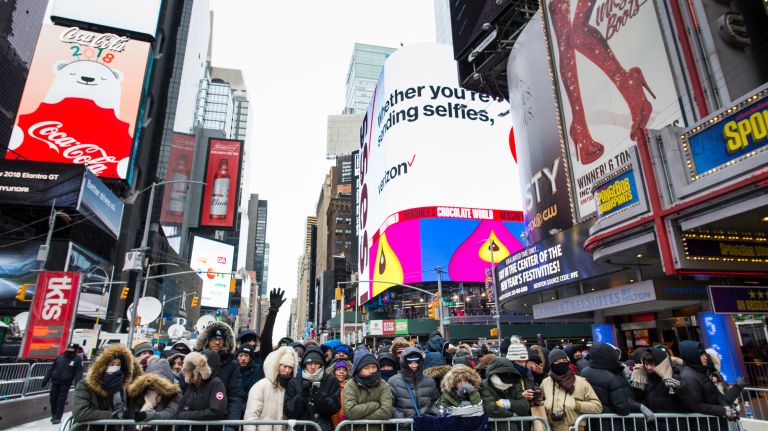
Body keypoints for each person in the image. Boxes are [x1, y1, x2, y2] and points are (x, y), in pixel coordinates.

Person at [581, 343, 653, 429]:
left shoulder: (584, 371)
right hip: (615, 423)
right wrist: (639, 406)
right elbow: (622, 407)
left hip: (594, 422)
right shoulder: (611, 377)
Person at [72, 343, 142, 423]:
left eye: (118, 364)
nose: (115, 367)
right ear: (102, 365)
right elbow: (81, 413)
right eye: (111, 364)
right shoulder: (85, 385)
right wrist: (113, 416)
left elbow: (128, 410)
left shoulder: (123, 386)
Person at [678, 340, 744, 419]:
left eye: (704, 354)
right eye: (700, 355)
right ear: (692, 356)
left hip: (714, 422)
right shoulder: (688, 376)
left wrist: (737, 388)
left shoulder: (700, 373)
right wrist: (724, 411)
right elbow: (696, 405)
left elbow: (719, 399)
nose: (705, 357)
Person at [194, 321, 245, 421]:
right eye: (213, 339)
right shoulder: (195, 361)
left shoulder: (232, 364)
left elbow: (234, 396)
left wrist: (231, 425)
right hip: (195, 418)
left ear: (225, 342)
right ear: (207, 341)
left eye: (220, 339)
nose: (217, 343)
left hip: (221, 420)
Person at [540, 349, 602, 431]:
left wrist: (577, 405)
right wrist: (545, 404)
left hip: (575, 428)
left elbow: (597, 407)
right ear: (551, 364)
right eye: (557, 361)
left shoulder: (581, 382)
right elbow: (540, 402)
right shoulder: (545, 383)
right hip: (552, 428)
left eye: (564, 360)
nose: (561, 363)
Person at [284, 346, 341, 431]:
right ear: (304, 364)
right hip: (301, 428)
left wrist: (320, 396)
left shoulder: (331, 380)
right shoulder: (294, 382)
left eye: (316, 363)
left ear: (321, 364)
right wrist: (302, 396)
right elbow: (289, 411)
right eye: (309, 363)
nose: (313, 367)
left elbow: (335, 407)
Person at [243, 346, 297, 431]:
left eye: (290, 367)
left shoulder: (291, 388)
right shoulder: (261, 386)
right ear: (277, 365)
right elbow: (251, 417)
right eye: (284, 366)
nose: (287, 370)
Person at [176, 350, 228, 421]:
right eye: (192, 367)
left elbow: (216, 411)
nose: (193, 371)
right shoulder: (193, 385)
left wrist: (186, 415)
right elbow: (181, 408)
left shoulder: (216, 383)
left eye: (195, 368)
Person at [388, 347, 439, 418]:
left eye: (416, 362)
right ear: (404, 363)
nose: (414, 365)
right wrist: (402, 419)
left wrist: (433, 414)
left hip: (426, 424)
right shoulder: (394, 381)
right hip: (404, 426)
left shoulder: (430, 381)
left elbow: (435, 402)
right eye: (410, 363)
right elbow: (390, 405)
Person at [343, 350, 393, 420]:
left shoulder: (384, 385)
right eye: (366, 368)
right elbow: (350, 412)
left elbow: (386, 412)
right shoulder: (350, 385)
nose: (371, 371)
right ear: (358, 370)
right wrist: (375, 405)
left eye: (374, 367)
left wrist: (359, 418)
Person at [630, 347, 683, 413]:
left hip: (673, 421)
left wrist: (667, 378)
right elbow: (639, 399)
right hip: (655, 420)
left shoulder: (675, 375)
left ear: (661, 363)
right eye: (646, 364)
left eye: (652, 364)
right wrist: (637, 377)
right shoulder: (647, 376)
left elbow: (685, 395)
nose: (649, 367)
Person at [129, 357, 181, 422]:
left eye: (157, 383)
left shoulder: (174, 394)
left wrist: (148, 415)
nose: (153, 386)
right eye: (151, 383)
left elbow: (171, 413)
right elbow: (132, 412)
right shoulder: (141, 392)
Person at [43, 343, 84, 424]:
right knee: (53, 399)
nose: (70, 350)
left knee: (61, 400)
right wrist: (45, 380)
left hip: (65, 383)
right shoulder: (59, 357)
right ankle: (54, 414)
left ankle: (58, 417)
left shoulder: (77, 359)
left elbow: (78, 373)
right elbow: (51, 369)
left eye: (72, 349)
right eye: (69, 348)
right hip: (55, 382)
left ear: (75, 350)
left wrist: (77, 385)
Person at [330, 360, 349, 427]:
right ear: (334, 372)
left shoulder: (349, 387)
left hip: (345, 422)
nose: (341, 372)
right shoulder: (330, 386)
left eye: (344, 370)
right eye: (338, 369)